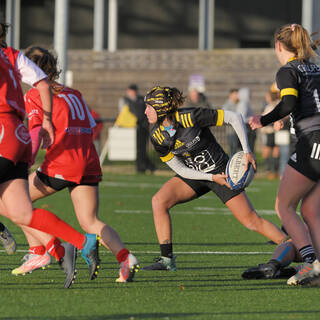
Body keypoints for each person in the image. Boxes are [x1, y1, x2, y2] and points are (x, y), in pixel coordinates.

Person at [11, 46, 140, 284]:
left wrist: (27, 160)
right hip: (88, 161)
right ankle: (125, 258)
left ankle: (40, 252)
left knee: (13, 203)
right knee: (90, 220)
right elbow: (90, 127)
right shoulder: (74, 93)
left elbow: (36, 130)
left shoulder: (34, 95)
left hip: (63, 162)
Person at [142, 86, 287, 271]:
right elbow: (181, 169)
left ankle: (293, 247)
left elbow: (234, 118)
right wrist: (210, 177)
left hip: (224, 173)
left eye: (149, 107)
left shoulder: (190, 116)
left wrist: (247, 151)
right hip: (196, 175)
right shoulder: (157, 136)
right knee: (158, 201)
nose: (145, 111)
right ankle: (167, 260)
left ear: (161, 108)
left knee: (251, 221)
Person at [0, 23, 99, 288]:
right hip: (17, 137)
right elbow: (42, 83)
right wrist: (46, 120)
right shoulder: (11, 54)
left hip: (3, 134)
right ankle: (75, 244)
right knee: (20, 212)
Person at [249, 23, 320, 286]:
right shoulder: (317, 67)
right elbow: (309, 101)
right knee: (311, 211)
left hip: (312, 142)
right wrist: (288, 117)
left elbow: (289, 101)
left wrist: (264, 119)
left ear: (279, 46)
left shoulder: (287, 71)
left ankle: (310, 264)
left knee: (284, 206)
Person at [119, 84, 156, 173]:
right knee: (137, 149)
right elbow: (123, 113)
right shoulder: (125, 100)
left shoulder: (141, 99)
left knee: (142, 148)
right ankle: (146, 166)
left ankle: (144, 166)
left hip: (142, 126)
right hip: (132, 127)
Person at [260, 85, 280, 179]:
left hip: (270, 131)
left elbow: (268, 119)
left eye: (267, 96)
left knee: (267, 150)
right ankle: (274, 170)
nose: (266, 98)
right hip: (275, 131)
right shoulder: (278, 103)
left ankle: (269, 170)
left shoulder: (271, 105)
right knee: (276, 149)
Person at [237, 87, 256, 152]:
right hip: (247, 128)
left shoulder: (245, 103)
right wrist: (252, 119)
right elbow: (242, 117)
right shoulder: (243, 104)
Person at [222, 88, 240, 156]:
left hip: (237, 130)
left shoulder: (238, 103)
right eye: (235, 94)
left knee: (237, 148)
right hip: (231, 131)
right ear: (230, 95)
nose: (237, 96)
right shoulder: (227, 105)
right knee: (233, 148)